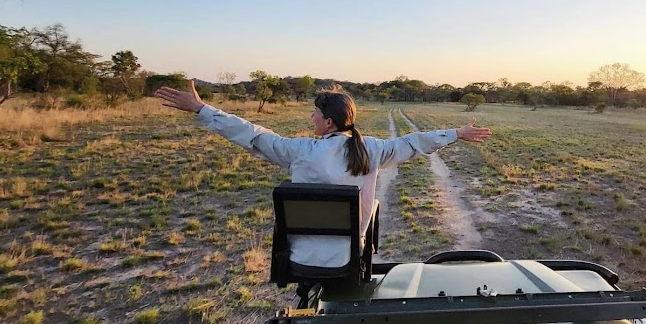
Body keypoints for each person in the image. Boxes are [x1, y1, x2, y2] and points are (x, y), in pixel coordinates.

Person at [155, 81, 492, 266]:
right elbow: (413, 142)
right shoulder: (372, 150)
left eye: (314, 113)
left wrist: (202, 109)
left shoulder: (299, 151)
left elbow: (252, 135)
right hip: (348, 258)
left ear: (328, 122)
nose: (311, 118)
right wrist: (456, 133)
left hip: (301, 258)